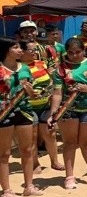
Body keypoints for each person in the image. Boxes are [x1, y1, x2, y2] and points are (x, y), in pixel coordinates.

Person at [47, 38, 87, 189]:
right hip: (68, 110)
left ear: (83, 50)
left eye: (78, 52)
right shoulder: (61, 69)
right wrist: (53, 113)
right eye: (71, 52)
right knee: (69, 143)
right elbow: (57, 93)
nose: (74, 55)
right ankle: (69, 177)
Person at [0, 38, 42, 197]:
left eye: (20, 47)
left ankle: (29, 186)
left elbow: (32, 95)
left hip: (24, 111)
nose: (20, 50)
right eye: (15, 47)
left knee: (27, 149)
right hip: (4, 112)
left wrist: (30, 91)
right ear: (6, 50)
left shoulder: (24, 68)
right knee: (4, 153)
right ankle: (6, 190)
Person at [20, 40, 64, 173]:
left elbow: (52, 79)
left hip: (46, 105)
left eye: (36, 50)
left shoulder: (41, 63)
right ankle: (35, 164)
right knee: (32, 137)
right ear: (22, 52)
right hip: (28, 107)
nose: (35, 52)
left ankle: (54, 162)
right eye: (31, 50)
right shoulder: (19, 68)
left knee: (50, 134)